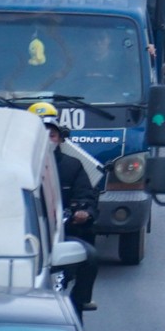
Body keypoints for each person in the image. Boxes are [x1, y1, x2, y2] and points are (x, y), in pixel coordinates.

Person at [45, 118, 99, 311]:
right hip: (26, 233)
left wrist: (82, 212)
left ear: (60, 139)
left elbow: (86, 197)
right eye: (41, 135)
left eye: (51, 135)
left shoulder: (72, 165)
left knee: (90, 256)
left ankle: (79, 302)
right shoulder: (16, 164)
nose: (47, 139)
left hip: (62, 231)